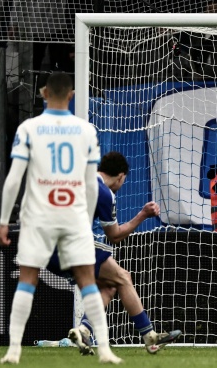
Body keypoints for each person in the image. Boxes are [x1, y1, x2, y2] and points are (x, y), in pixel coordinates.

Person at [0, 72, 121, 364]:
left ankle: (13, 351)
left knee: (28, 279)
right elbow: (92, 183)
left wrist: (3, 221)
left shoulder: (29, 128)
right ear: (71, 95)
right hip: (73, 216)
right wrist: (85, 218)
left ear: (43, 94)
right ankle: (104, 351)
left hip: (38, 215)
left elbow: (15, 178)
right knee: (88, 281)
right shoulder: (85, 131)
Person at [46, 151, 181, 355]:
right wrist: (142, 215)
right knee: (123, 277)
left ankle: (83, 330)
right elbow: (115, 236)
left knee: (109, 286)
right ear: (120, 176)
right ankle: (150, 336)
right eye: (124, 180)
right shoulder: (103, 192)